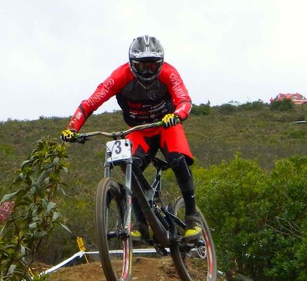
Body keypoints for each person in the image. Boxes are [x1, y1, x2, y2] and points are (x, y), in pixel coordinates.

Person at [61, 35, 202, 241]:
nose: (146, 71)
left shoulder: (169, 73)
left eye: (152, 66)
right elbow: (91, 102)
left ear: (160, 64)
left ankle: (192, 217)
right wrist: (72, 128)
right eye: (141, 66)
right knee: (131, 168)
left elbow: (185, 101)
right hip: (138, 129)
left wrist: (177, 115)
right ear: (131, 63)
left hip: (166, 125)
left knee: (177, 160)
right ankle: (140, 223)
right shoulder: (120, 76)